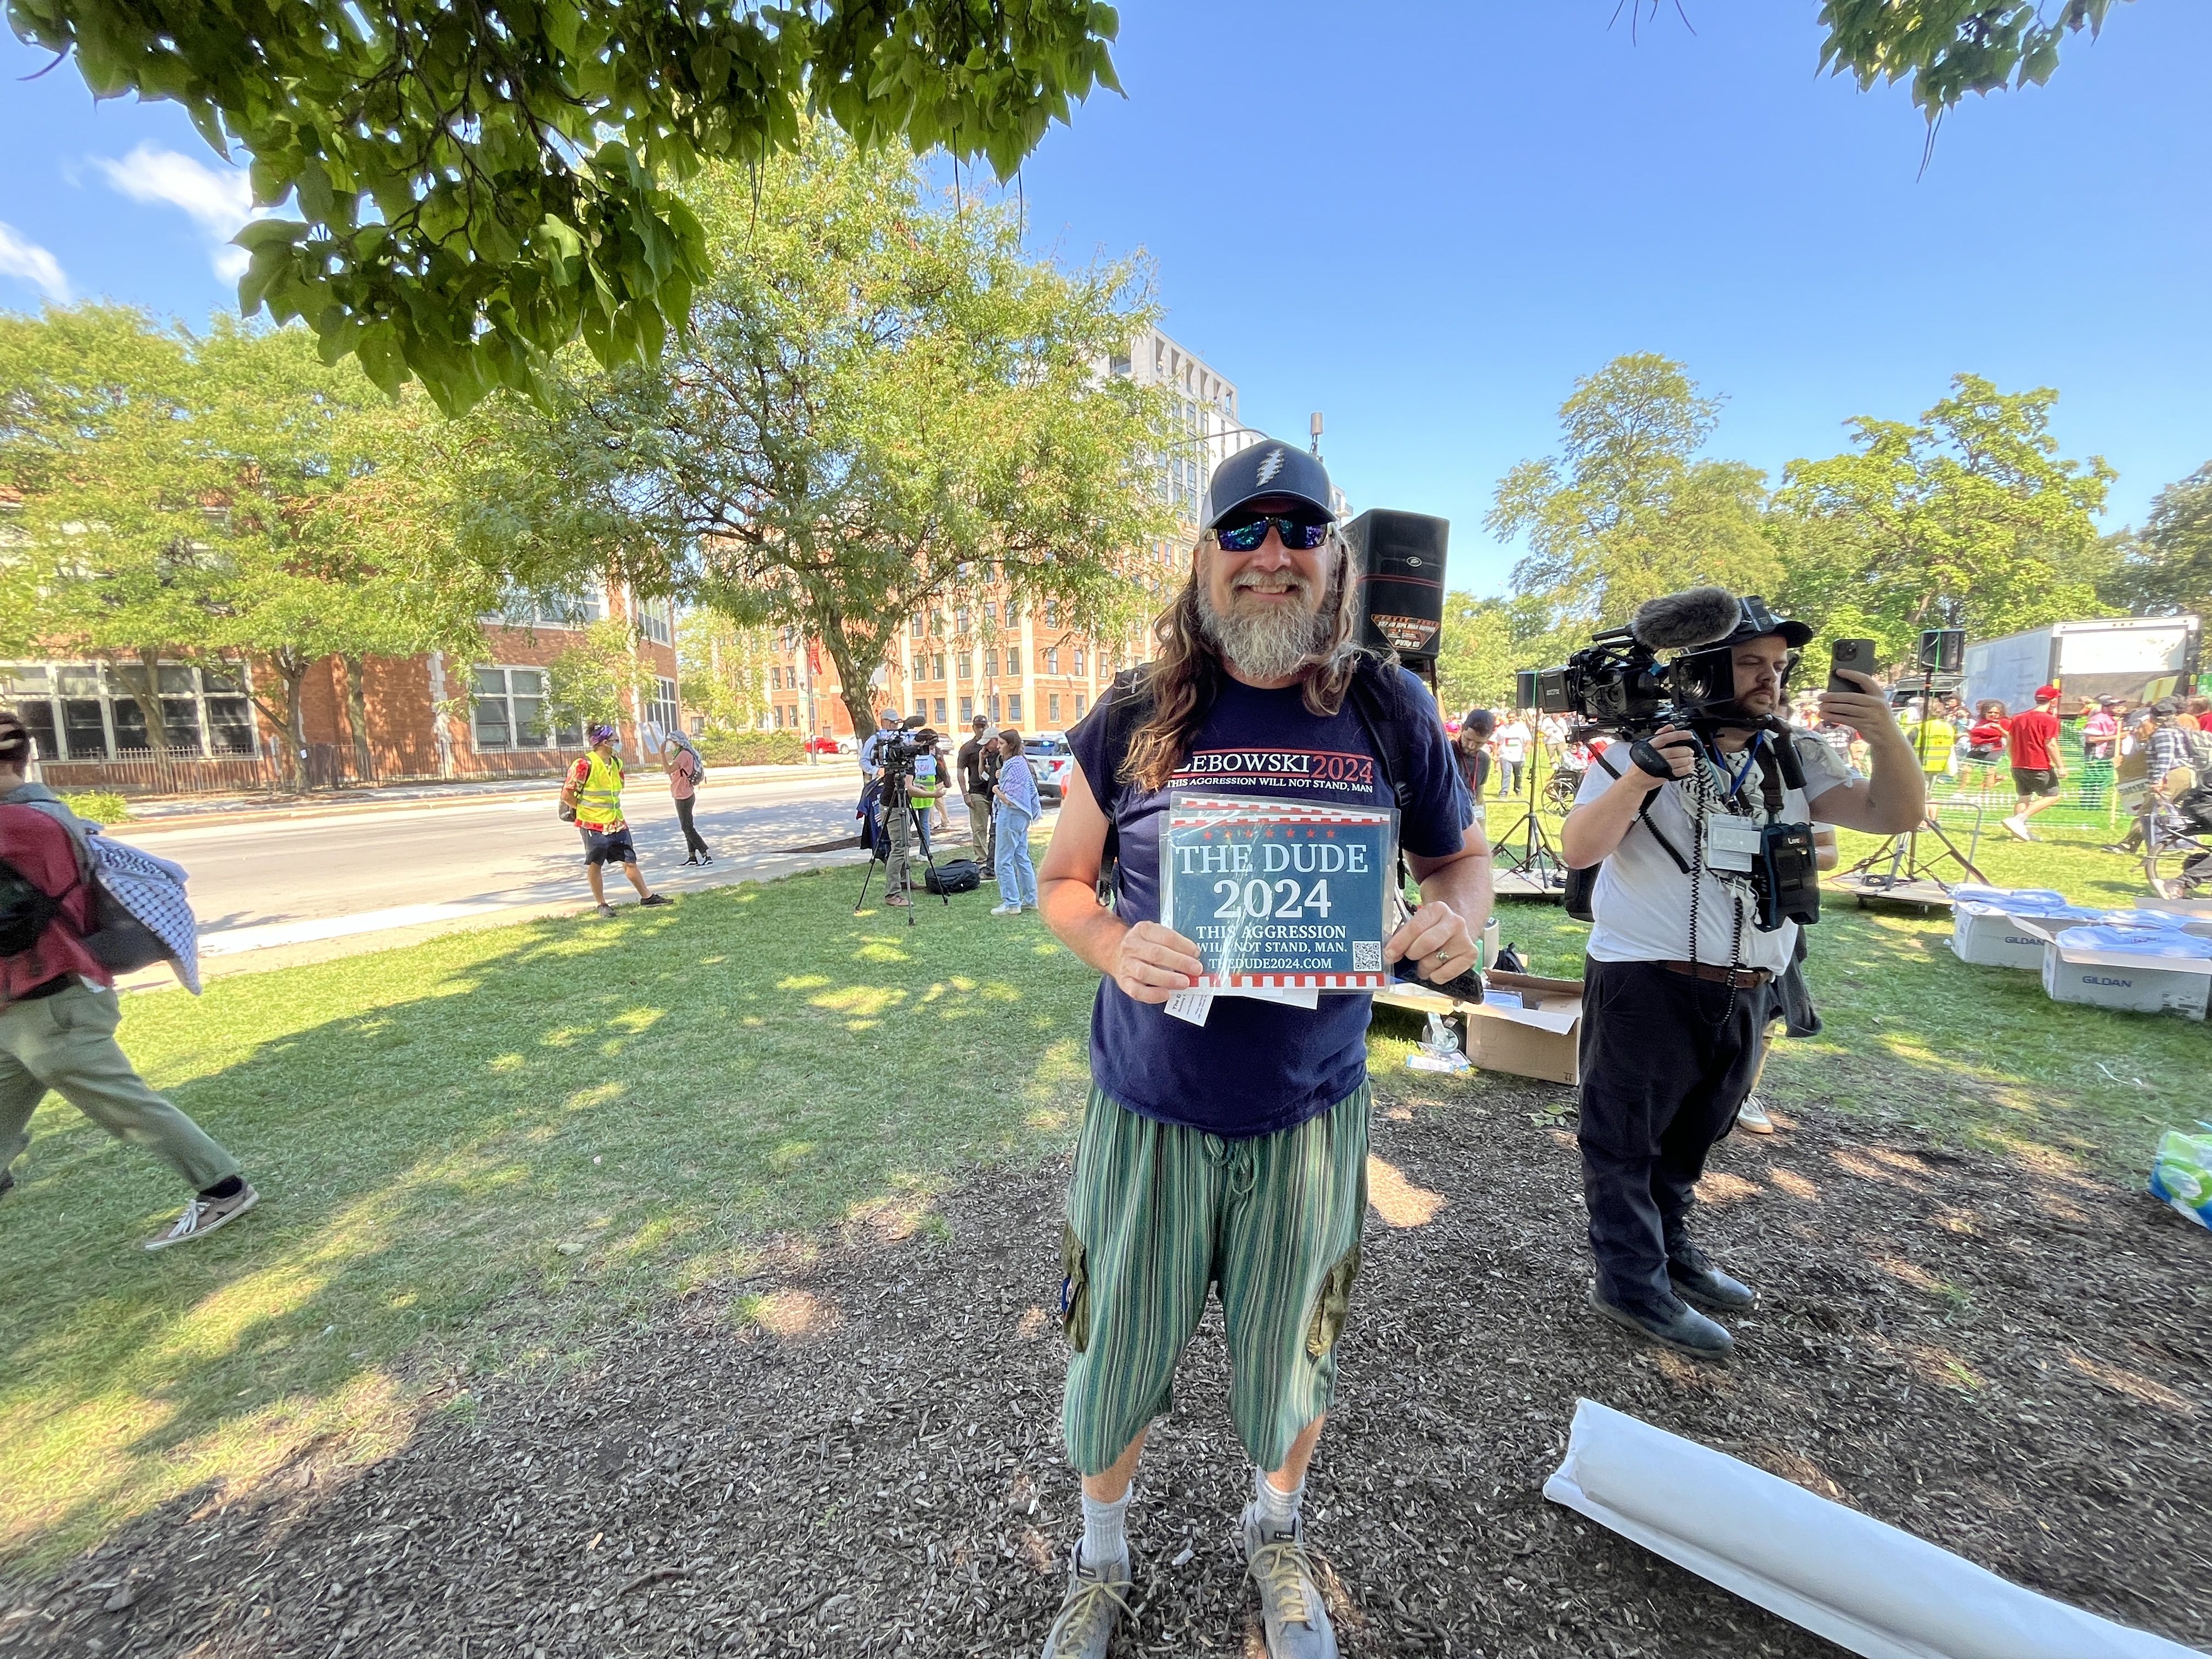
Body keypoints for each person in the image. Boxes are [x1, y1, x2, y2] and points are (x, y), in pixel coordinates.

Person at [1029, 438, 1487, 1659]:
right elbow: (1064, 882)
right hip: (1151, 1104)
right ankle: (1102, 1554)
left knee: (1295, 1349)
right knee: (1115, 1345)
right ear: (1203, 559)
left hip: (1311, 1111)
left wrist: (1458, 919)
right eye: (1244, 532)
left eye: (1299, 533)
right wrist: (1113, 946)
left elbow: (1462, 860)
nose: (1271, 556)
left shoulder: (1389, 706)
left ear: (1335, 560)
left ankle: (1277, 1535)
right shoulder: (1134, 711)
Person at [1560, 595, 1922, 1361]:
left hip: (1748, 984)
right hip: (1646, 981)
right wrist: (1639, 782)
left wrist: (1883, 729)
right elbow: (1579, 851)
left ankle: (1672, 1253)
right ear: (1701, 668)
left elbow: (1895, 813)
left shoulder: (1797, 757)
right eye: (1753, 664)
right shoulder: (1634, 750)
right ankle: (1631, 1282)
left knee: (1694, 1137)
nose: (1772, 680)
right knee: (1624, 1141)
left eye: (1779, 667)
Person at [0, 712, 257, 1249]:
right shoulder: (38, 812)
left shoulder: (21, 825)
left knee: (126, 1106)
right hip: (26, 1001)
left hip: (50, 1002)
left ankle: (223, 1188)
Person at [1731, 827, 1837, 1135]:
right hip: (1695, 921)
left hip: (1774, 918)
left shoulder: (1797, 786)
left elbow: (1830, 854)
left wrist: (1770, 854)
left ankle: (1744, 1095)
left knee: (1765, 1012)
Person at [561, 724, 671, 917]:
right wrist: (585, 810)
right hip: (593, 825)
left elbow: (616, 789)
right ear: (605, 743)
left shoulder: (616, 763)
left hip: (616, 822)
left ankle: (647, 897)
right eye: (616, 740)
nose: (619, 744)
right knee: (596, 864)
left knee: (630, 861)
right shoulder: (584, 764)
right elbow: (567, 795)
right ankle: (602, 904)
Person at [861, 708, 916, 909]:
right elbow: (864, 761)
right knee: (898, 844)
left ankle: (904, 879)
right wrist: (879, 771)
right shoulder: (875, 740)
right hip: (885, 794)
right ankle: (893, 892)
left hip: (901, 795)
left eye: (897, 723)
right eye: (892, 723)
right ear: (883, 721)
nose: (895, 726)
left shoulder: (902, 739)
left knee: (905, 841)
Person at [2000, 685, 2066, 842]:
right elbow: (2050, 744)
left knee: (2024, 798)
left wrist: (2013, 758)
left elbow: (2010, 741)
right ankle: (2018, 821)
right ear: (2054, 701)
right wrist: (2061, 766)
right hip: (2038, 765)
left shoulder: (2018, 718)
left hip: (2018, 764)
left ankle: (2018, 833)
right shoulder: (2050, 720)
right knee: (2053, 796)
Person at [990, 726, 1040, 916]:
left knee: (1002, 861)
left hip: (1011, 814)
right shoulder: (1018, 763)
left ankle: (1011, 903)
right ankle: (1031, 899)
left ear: (1010, 745)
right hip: (1021, 817)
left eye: (1001, 744)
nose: (998, 747)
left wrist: (996, 789)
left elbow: (1011, 799)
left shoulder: (1015, 764)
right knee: (1021, 857)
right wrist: (1002, 776)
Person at [661, 729, 712, 865]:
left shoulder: (683, 755)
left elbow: (668, 770)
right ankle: (692, 857)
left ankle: (705, 854)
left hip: (684, 795)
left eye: (671, 742)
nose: (670, 744)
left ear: (677, 742)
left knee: (687, 827)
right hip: (682, 793)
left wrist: (661, 754)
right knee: (688, 826)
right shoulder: (682, 754)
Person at [957, 713, 999, 872]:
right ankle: (982, 858)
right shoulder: (968, 748)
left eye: (983, 726)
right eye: (978, 726)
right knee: (980, 828)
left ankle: (994, 859)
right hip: (977, 791)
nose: (981, 729)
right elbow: (961, 772)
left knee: (996, 829)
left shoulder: (997, 746)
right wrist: (965, 794)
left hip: (995, 792)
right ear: (974, 727)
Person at [1456, 708, 1496, 835]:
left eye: (1479, 743)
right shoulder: (1446, 753)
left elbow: (1479, 797)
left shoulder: (1484, 760)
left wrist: (1482, 832)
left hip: (1469, 820)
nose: (1471, 746)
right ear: (1462, 729)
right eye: (1468, 739)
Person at [1496, 710, 1531, 797]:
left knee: (1518, 775)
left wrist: (1527, 747)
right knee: (1506, 774)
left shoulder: (1522, 728)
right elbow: (1496, 740)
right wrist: (1496, 752)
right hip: (1505, 755)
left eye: (1513, 717)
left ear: (1516, 718)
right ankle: (1504, 792)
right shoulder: (1502, 728)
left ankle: (1518, 789)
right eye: (1509, 718)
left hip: (1519, 756)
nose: (1511, 719)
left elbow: (1529, 740)